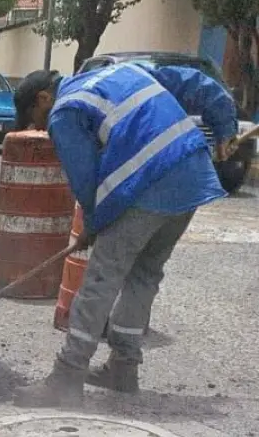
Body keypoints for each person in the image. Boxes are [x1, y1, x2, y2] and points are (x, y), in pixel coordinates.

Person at [12, 63, 238, 405]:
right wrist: (225, 129)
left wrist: (92, 223)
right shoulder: (126, 73)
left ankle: (67, 378)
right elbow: (199, 83)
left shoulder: (65, 110)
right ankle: (123, 367)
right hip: (191, 178)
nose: (42, 128)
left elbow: (85, 179)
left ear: (44, 97)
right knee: (144, 275)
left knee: (101, 278)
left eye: (36, 119)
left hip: (148, 182)